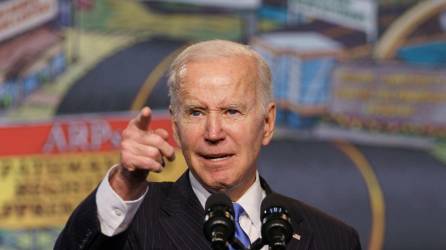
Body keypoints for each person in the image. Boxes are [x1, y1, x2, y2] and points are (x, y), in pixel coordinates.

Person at [55, 40, 361, 250]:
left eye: (231, 111)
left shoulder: (331, 238)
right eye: (196, 112)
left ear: (267, 124)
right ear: (175, 127)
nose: (213, 132)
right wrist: (123, 183)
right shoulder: (132, 224)